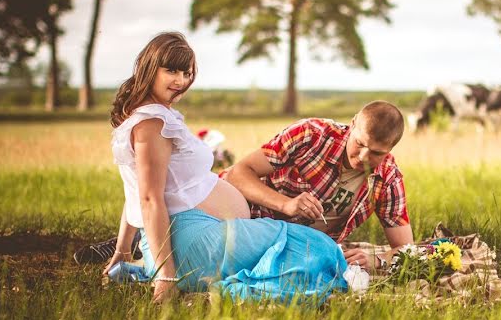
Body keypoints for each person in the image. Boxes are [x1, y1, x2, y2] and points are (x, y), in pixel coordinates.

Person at [106, 31, 348, 303]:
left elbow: (136, 190)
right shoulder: (154, 123)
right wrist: (166, 277)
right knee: (317, 246)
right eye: (171, 70)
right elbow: (148, 198)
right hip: (190, 245)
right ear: (151, 68)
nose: (180, 81)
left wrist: (123, 249)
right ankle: (236, 292)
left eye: (186, 73)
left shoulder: (152, 116)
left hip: (189, 244)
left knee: (309, 249)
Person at [224, 101, 414, 272]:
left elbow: (407, 249)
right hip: (244, 219)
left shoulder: (389, 180)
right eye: (360, 143)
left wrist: (378, 260)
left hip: (303, 249)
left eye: (376, 153)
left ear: (390, 149)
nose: (364, 156)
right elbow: (238, 174)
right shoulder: (310, 134)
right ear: (353, 123)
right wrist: (286, 204)